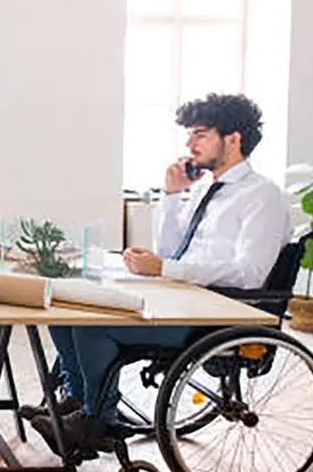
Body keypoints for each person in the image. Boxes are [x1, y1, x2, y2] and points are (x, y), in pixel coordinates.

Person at [26, 93, 291, 453]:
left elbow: (250, 273)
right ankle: (76, 401)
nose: (189, 143)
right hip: (182, 297)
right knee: (67, 308)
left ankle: (96, 420)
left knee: (95, 325)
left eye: (200, 134)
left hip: (215, 313)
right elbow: (170, 250)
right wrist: (170, 195)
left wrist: (165, 268)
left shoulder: (263, 196)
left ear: (234, 139)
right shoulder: (204, 189)